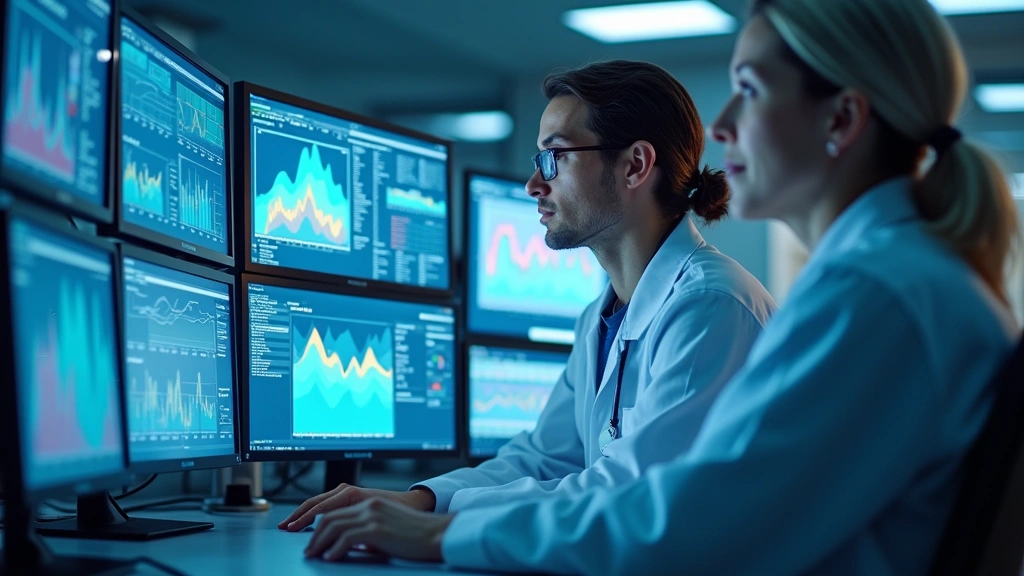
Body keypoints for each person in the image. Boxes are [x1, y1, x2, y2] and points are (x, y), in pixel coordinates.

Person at [298, 0, 1022, 572]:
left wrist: (445, 533)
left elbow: (684, 522)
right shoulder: (893, 277)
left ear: (841, 117)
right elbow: (556, 461)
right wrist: (425, 501)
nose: (724, 125)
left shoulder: (874, 294)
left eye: (749, 90)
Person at [280, 60, 776, 531]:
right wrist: (421, 500)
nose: (533, 183)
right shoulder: (600, 318)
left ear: (634, 165)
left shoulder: (710, 305)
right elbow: (544, 456)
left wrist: (439, 524)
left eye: (554, 158)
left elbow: (632, 490)